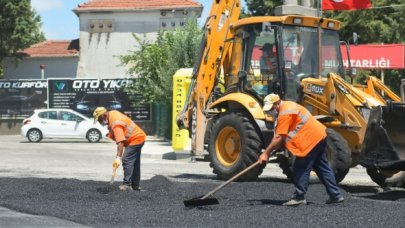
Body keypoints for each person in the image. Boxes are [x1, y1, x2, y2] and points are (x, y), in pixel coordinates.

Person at [258, 94, 344, 206]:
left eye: (271, 109)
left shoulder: (285, 113)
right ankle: (335, 195)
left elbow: (279, 137)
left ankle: (299, 197)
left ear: (278, 103)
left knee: (300, 167)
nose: (270, 112)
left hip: (309, 140)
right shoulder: (289, 106)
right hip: (319, 136)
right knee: (322, 167)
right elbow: (285, 136)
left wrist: (265, 153)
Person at [93, 107, 146, 191]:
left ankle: (127, 184)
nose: (100, 122)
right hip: (138, 137)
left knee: (126, 159)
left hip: (135, 139)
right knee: (134, 162)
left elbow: (120, 142)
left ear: (103, 115)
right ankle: (135, 185)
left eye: (99, 119)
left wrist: (118, 158)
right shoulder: (112, 113)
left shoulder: (115, 123)